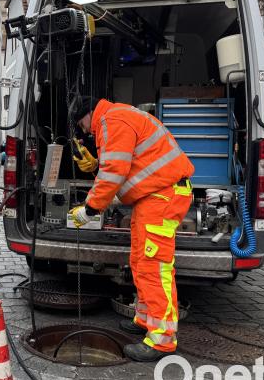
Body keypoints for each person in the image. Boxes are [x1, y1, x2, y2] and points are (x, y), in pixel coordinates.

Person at [69, 97, 195, 362]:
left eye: (82, 125)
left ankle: (162, 341)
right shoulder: (117, 117)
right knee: (140, 261)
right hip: (153, 198)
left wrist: (89, 209)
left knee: (154, 265)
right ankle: (146, 319)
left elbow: (114, 172)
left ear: (88, 114)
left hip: (162, 197)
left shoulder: (111, 121)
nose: (86, 132)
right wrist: (95, 166)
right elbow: (125, 167)